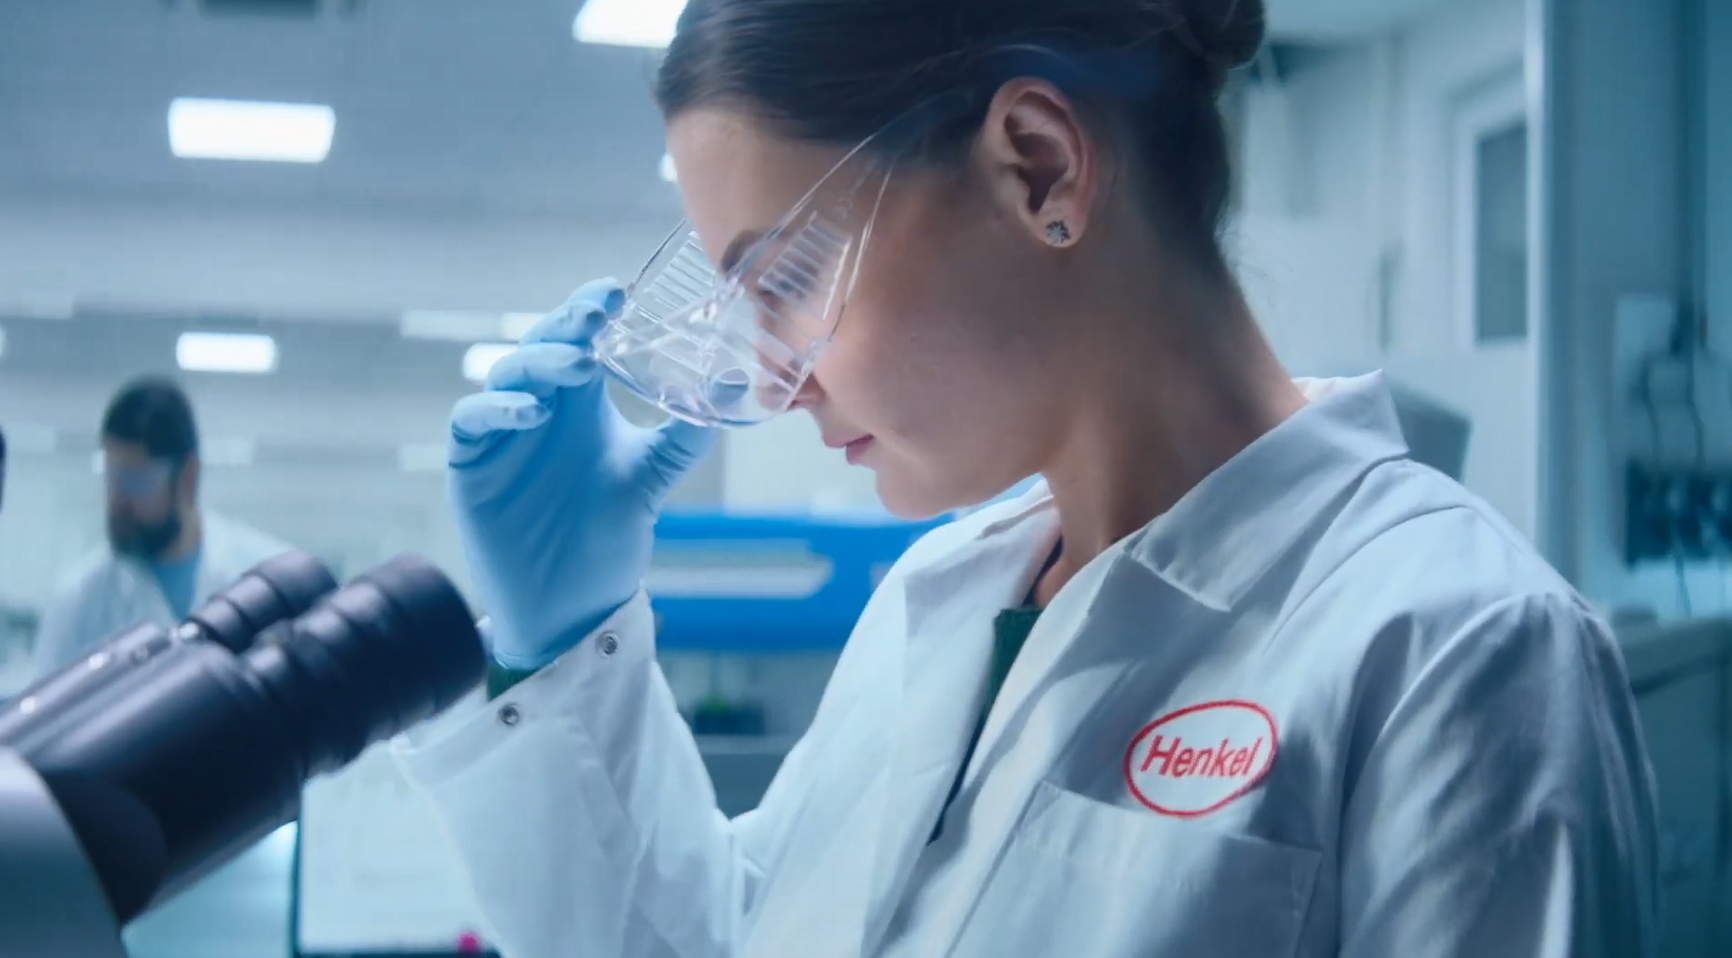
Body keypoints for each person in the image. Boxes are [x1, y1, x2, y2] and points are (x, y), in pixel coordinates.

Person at [394, 1, 1660, 955]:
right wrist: (564, 648)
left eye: (781, 280)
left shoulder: (1456, 647)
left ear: (1039, 168)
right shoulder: (935, 601)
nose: (772, 382)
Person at [32, 377, 292, 675]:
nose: (118, 500)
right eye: (112, 477)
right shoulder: (79, 601)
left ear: (187, 477)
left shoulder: (261, 577)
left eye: (135, 480)